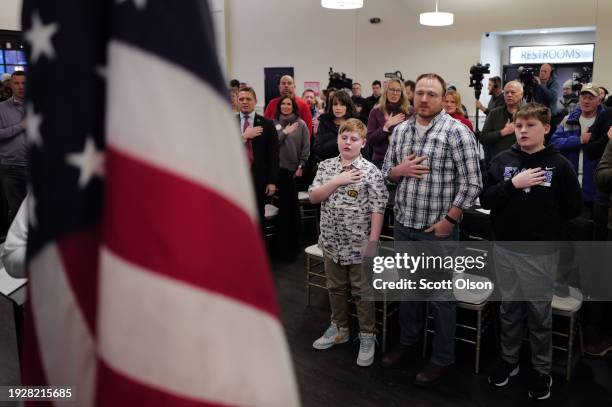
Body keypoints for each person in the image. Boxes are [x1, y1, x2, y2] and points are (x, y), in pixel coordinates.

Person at [381, 73, 482, 386]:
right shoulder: (400, 131)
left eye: (432, 94)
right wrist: (398, 171)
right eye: (420, 93)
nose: (424, 99)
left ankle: (441, 357)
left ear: (443, 98)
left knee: (440, 298)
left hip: (437, 231)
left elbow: (472, 182)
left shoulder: (457, 132)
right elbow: (386, 173)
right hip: (405, 227)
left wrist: (449, 221)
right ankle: (409, 343)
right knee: (409, 292)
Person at [481, 102, 582, 401]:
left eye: (530, 125)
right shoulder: (501, 160)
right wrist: (512, 185)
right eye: (518, 125)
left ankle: (541, 369)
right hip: (506, 249)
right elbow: (486, 199)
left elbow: (572, 208)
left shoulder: (559, 164)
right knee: (509, 310)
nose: (522, 131)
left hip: (540, 252)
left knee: (539, 315)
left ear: (546, 128)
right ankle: (509, 360)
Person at [309, 118, 388, 367]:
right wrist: (337, 181)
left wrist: (373, 242)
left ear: (363, 143)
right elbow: (313, 197)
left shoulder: (370, 171)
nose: (348, 142)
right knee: (335, 287)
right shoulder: (326, 167)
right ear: (337, 139)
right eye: (344, 137)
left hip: (358, 244)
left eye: (354, 139)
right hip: (331, 241)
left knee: (362, 292)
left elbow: (378, 208)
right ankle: (340, 327)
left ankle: (367, 335)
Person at [550, 83, 605, 210]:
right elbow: (553, 144)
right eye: (583, 97)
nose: (586, 101)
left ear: (599, 100)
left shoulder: (605, 121)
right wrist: (579, 140)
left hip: (595, 185)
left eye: (591, 98)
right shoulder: (568, 119)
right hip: (570, 182)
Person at [272, 96, 310, 259]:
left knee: (291, 210)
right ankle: (278, 245)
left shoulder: (301, 124)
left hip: (294, 173)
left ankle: (292, 246)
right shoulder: (272, 124)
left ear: (293, 106)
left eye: (289, 104)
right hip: (276, 172)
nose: (286, 106)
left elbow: (306, 147)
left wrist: (301, 165)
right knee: (279, 209)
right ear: (279, 106)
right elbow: (272, 145)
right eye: (283, 104)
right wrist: (284, 132)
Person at [237, 87, 279, 225]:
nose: (244, 102)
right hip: (237, 177)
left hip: (259, 178)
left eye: (248, 99)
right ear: (237, 101)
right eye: (241, 99)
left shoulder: (267, 124)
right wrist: (243, 137)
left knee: (258, 217)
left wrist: (272, 181)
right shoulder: (229, 122)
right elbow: (223, 148)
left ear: (255, 101)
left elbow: (273, 155)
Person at [0, 71, 27, 235]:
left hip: (38, 166)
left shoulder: (40, 105)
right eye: (16, 83)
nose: (21, 87)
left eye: (24, 83)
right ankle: (19, 252)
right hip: (11, 168)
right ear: (10, 85)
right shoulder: (1, 108)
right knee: (17, 211)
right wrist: (20, 126)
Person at [366, 78, 411, 169]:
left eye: (398, 90)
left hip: (404, 161)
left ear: (402, 93)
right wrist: (386, 127)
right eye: (391, 90)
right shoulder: (375, 112)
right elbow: (370, 139)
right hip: (380, 161)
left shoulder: (409, 111)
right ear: (386, 91)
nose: (394, 93)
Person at [480, 81, 523, 161]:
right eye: (506, 92)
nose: (509, 95)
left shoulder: (528, 113)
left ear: (521, 95)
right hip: (498, 162)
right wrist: (503, 132)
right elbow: (483, 138)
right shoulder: (494, 113)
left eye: (513, 92)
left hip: (521, 161)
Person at [314, 90, 355, 162]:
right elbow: (317, 149)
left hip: (350, 166)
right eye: (335, 104)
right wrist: (338, 140)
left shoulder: (354, 123)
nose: (338, 108)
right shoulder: (324, 121)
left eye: (342, 104)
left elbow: (361, 149)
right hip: (327, 165)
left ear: (348, 106)